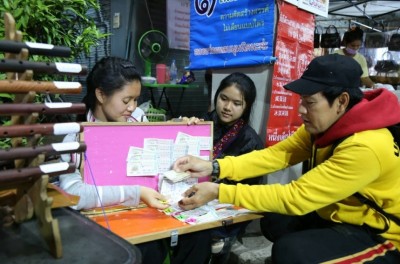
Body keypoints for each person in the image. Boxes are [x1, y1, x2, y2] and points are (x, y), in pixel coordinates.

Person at [173, 54, 400, 263]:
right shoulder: (323, 127)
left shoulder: (365, 146)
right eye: (301, 100)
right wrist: (214, 166)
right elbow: (278, 155)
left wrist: (219, 191)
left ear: (341, 101)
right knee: (273, 221)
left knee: (291, 251)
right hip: (337, 213)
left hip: (381, 233)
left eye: (309, 102)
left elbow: (297, 197)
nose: (300, 110)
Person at [58, 56, 211, 264]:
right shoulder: (76, 138)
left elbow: (157, 162)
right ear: (101, 94)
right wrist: (136, 193)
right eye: (126, 100)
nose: (132, 107)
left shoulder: (138, 119)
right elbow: (74, 195)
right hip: (105, 222)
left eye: (136, 99)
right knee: (144, 248)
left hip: (146, 212)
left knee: (199, 236)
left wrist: (182, 129)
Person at [204, 72, 264, 263]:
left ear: (246, 107)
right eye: (223, 98)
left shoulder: (251, 141)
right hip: (196, 196)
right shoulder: (204, 123)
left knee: (213, 245)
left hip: (226, 207)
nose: (227, 107)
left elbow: (248, 192)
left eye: (237, 103)